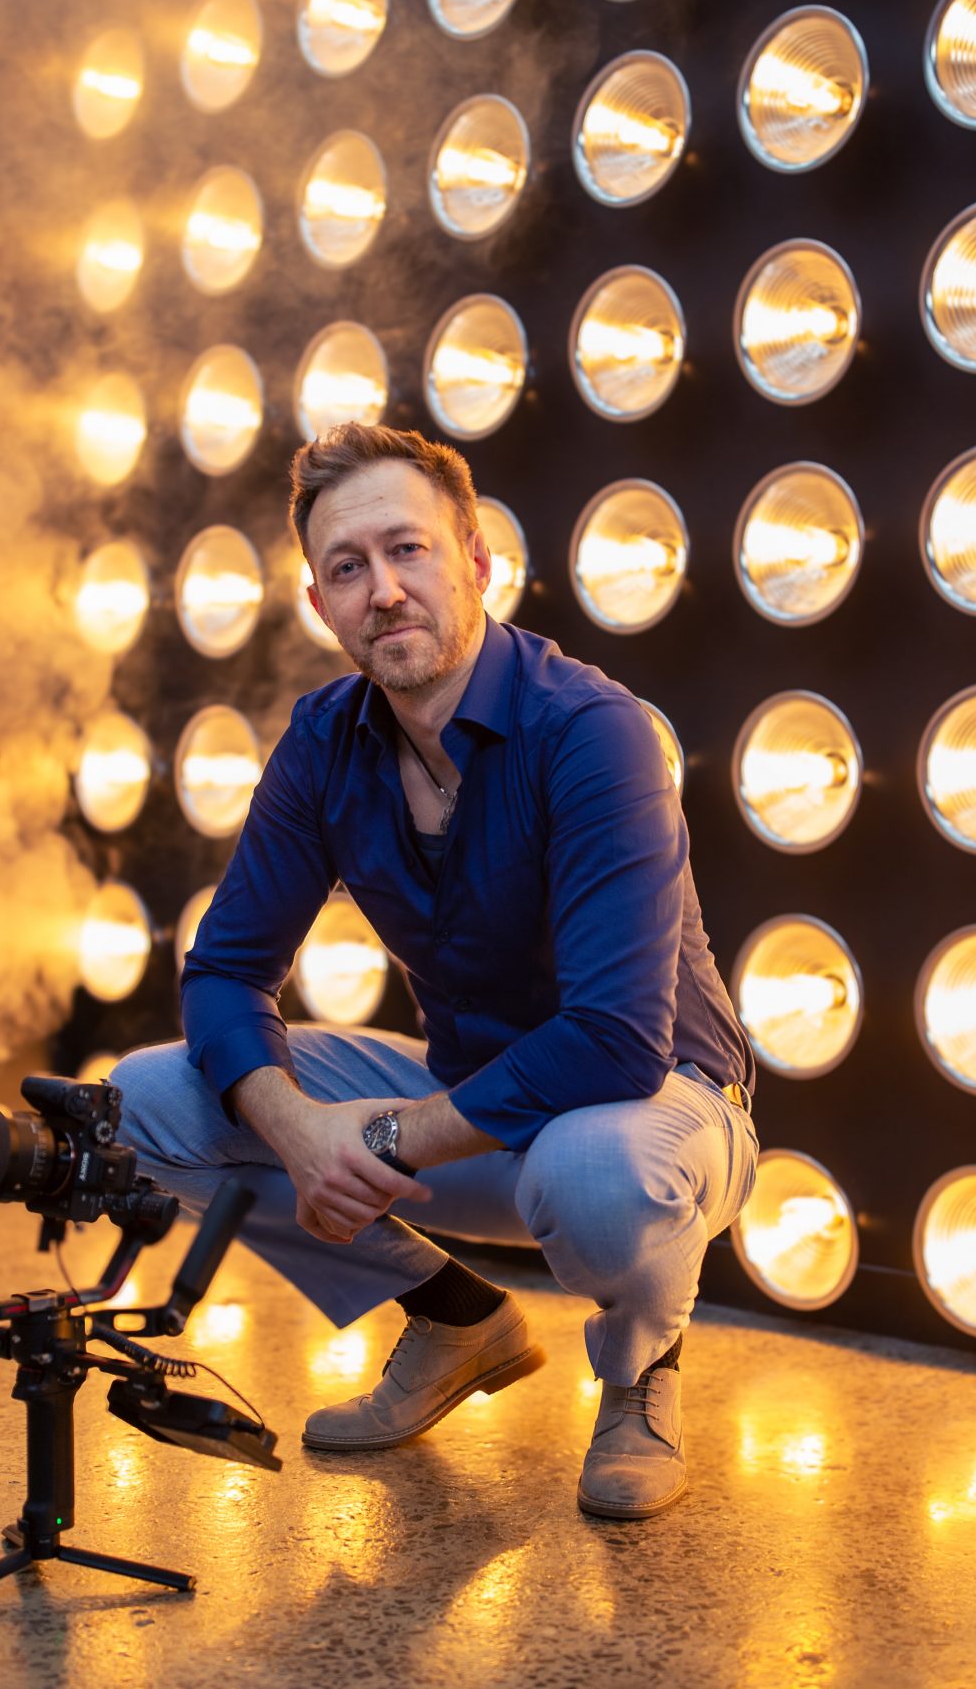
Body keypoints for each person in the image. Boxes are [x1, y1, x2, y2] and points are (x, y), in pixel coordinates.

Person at [110, 423, 758, 1520]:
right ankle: (456, 1316)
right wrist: (297, 1128)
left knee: (595, 1169)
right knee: (145, 1098)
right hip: (466, 1115)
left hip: (659, 1112)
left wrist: (369, 1140)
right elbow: (223, 972)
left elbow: (614, 1041)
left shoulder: (591, 730)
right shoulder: (324, 741)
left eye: (407, 550)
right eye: (347, 568)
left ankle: (642, 1372)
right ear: (319, 604)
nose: (383, 591)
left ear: (477, 560)